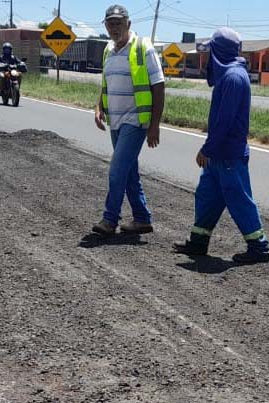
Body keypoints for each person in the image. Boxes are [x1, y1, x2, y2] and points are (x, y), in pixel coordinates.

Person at [173, 28, 269, 264]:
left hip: (228, 155)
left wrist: (207, 149)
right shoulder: (229, 76)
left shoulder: (233, 78)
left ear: (218, 52)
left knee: (238, 198)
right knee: (207, 196)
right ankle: (198, 242)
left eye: (210, 52)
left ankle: (259, 247)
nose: (207, 59)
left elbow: (224, 121)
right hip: (219, 155)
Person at [92, 4, 165, 236]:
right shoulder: (108, 50)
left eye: (118, 23)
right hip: (115, 120)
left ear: (128, 24)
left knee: (116, 170)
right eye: (110, 23)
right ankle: (142, 219)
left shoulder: (143, 48)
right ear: (106, 26)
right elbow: (106, 83)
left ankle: (109, 219)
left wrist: (154, 125)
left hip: (136, 121)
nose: (114, 28)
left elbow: (159, 86)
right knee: (129, 171)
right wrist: (98, 106)